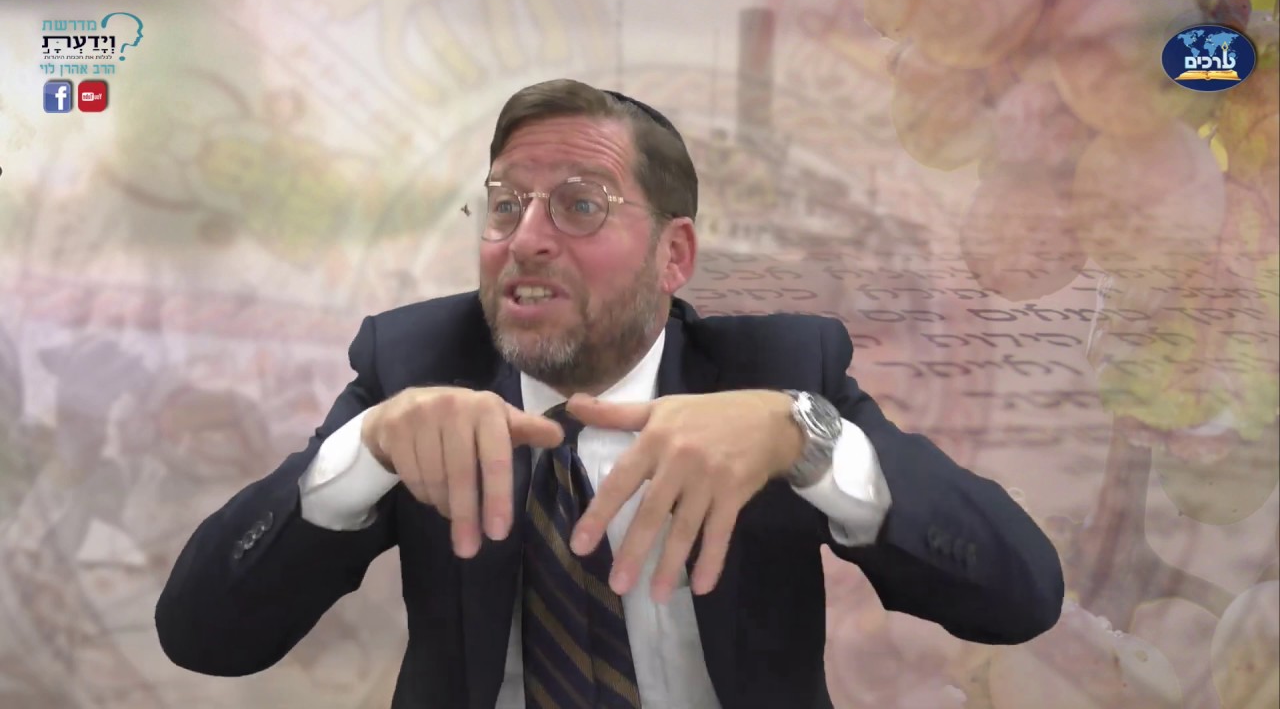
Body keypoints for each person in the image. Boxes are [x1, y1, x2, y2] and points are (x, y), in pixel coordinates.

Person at [155, 78, 1064, 709]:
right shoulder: (415, 366)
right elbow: (204, 637)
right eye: (505, 204)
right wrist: (361, 455)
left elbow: (1018, 597)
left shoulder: (780, 372)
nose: (526, 239)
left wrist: (806, 439)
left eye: (581, 205)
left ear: (675, 255)